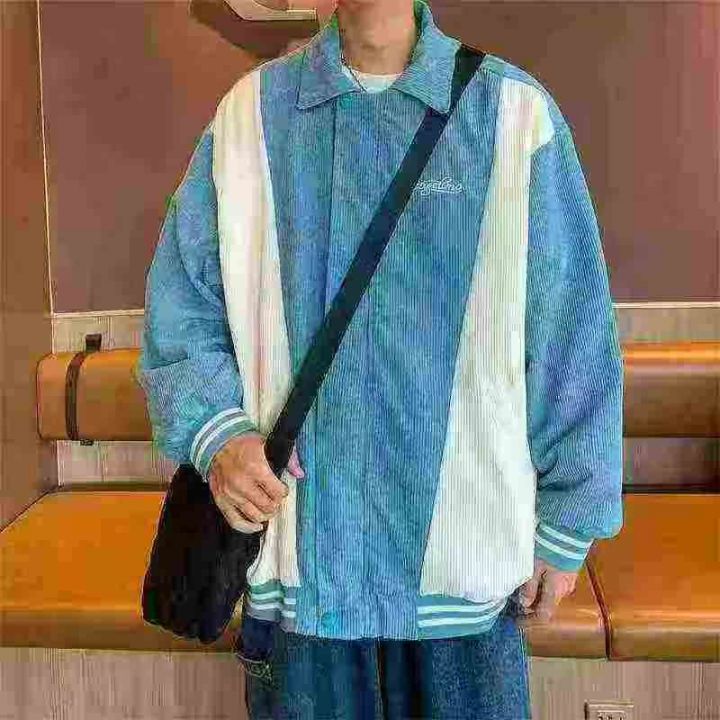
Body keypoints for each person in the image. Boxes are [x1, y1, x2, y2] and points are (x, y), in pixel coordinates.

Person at [136, 0, 624, 717]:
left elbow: (572, 334)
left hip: (463, 577)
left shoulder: (514, 116)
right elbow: (182, 308)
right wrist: (220, 437)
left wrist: (569, 521)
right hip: (303, 580)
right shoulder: (248, 118)